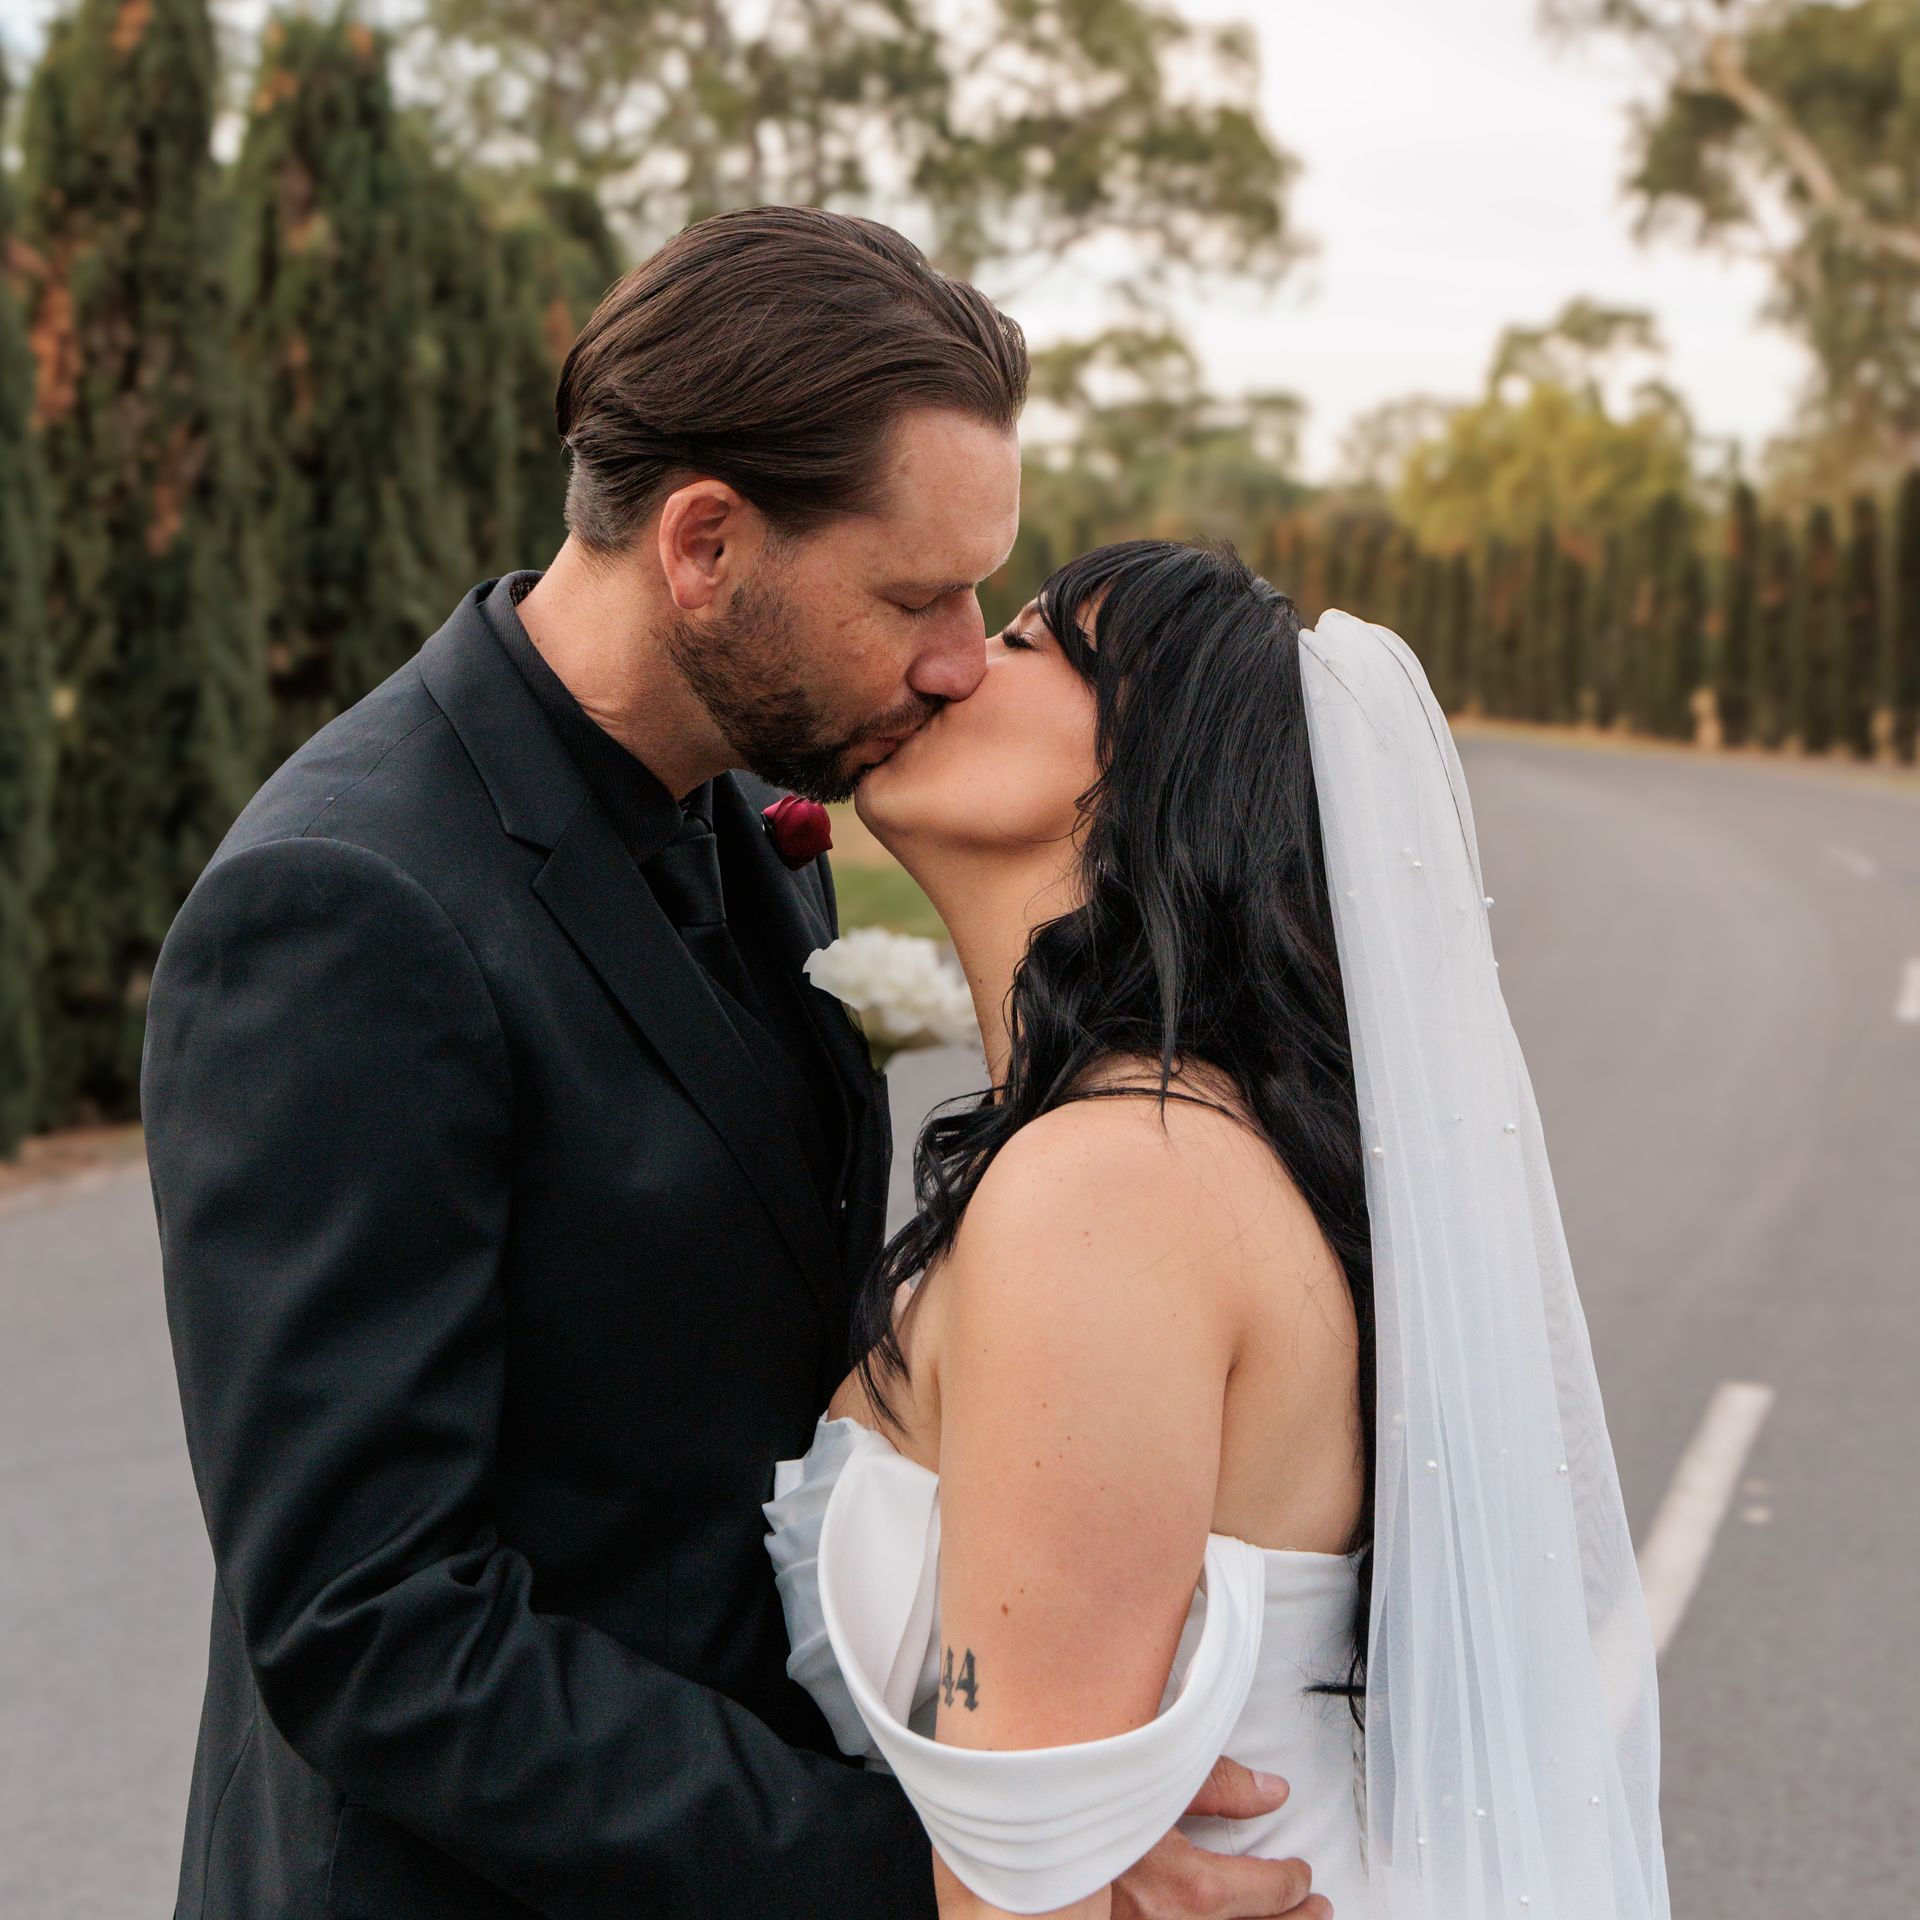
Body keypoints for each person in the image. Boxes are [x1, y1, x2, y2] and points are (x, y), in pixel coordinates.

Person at [142, 210, 1324, 1919]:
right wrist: (936, 1877)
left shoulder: (749, 828)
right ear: (704, 544)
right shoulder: (345, 908)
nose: (953, 656)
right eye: (917, 595)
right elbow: (370, 1624)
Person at [763, 541, 1673, 1918]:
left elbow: (1024, 1905)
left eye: (1024, 643)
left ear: (1153, 770)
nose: (949, 661)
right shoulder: (1160, 1153)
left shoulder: (1115, 1188)